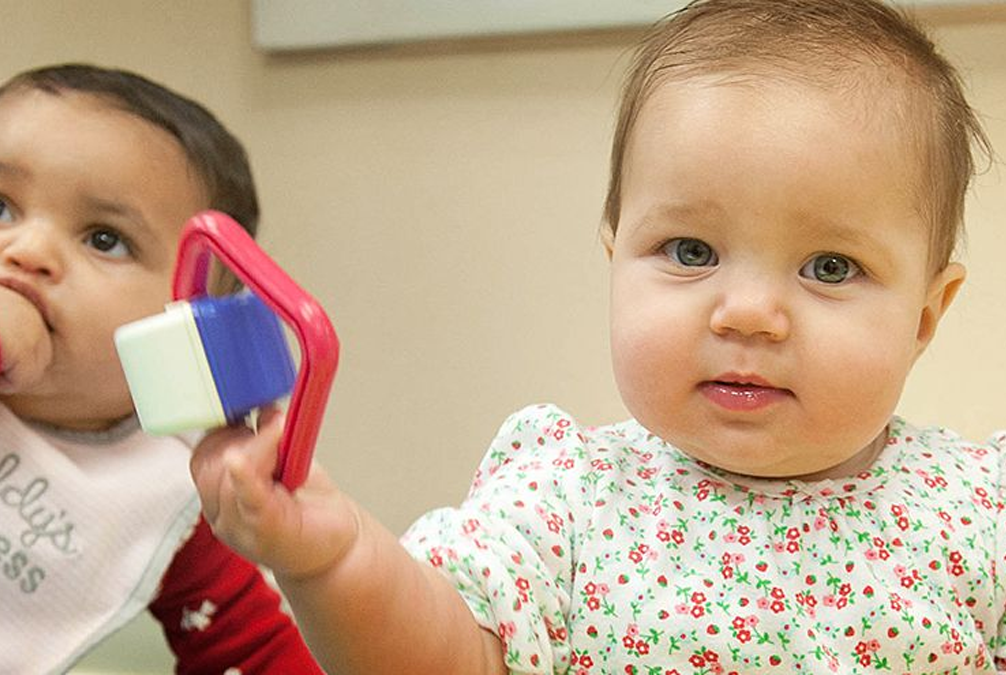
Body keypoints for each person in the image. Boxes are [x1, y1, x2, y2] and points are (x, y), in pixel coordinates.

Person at [191, 0, 1006, 673]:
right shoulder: (566, 498)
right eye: (691, 252)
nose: (749, 313)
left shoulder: (977, 510)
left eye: (830, 266)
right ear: (616, 260)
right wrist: (331, 560)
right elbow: (444, 657)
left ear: (926, 316)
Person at [0, 64, 324, 674]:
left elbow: (253, 650)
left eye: (104, 239)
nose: (27, 252)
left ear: (186, 323)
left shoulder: (154, 481)